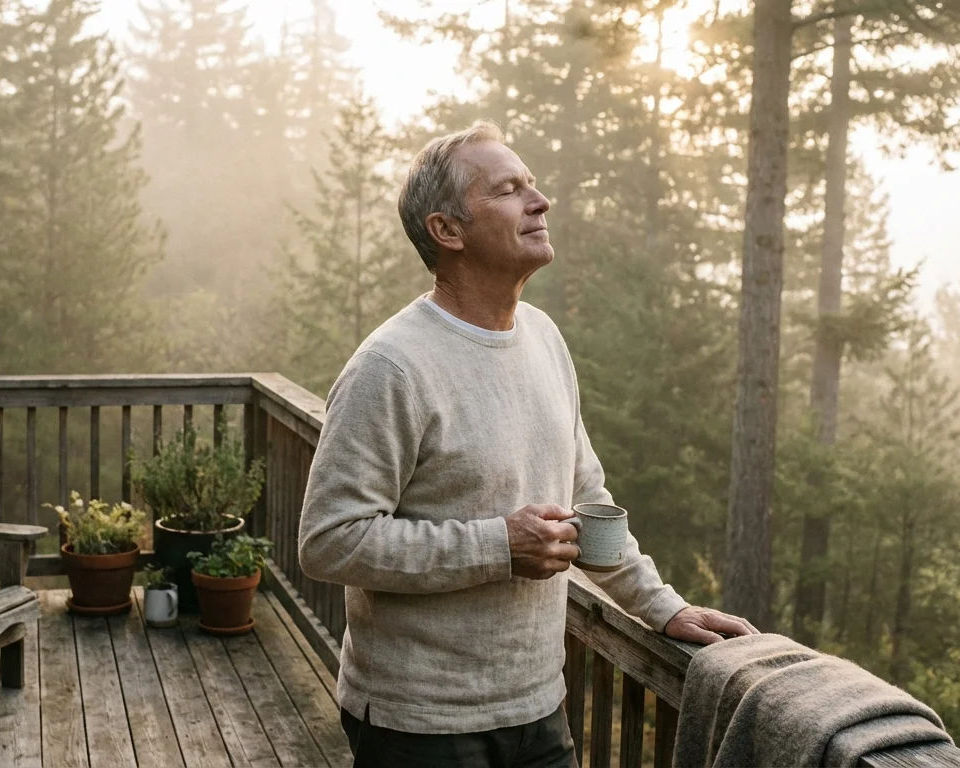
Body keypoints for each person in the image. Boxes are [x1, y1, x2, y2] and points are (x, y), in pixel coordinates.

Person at [296, 120, 758, 768]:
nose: (540, 202)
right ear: (448, 231)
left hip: (540, 709)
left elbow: (588, 499)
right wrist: (499, 545)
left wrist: (665, 609)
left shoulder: (544, 339)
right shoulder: (392, 367)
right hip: (418, 724)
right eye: (510, 189)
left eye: (533, 185)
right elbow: (329, 540)